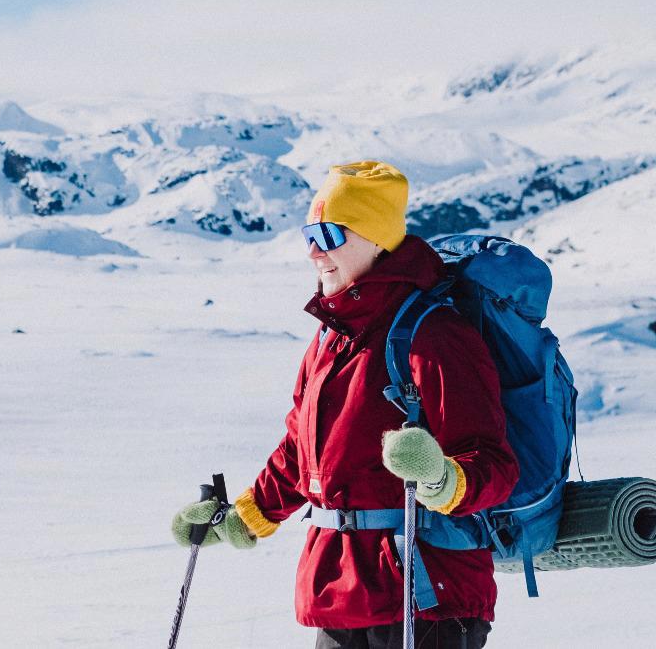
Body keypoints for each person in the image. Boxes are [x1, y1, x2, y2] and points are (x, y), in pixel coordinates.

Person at [170, 162, 518, 648]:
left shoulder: (435, 336)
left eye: (331, 234)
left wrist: (440, 477)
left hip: (424, 599)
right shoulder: (331, 338)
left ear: (376, 239)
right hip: (338, 590)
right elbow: (302, 452)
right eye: (310, 233)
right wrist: (241, 519)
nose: (315, 250)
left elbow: (495, 466)